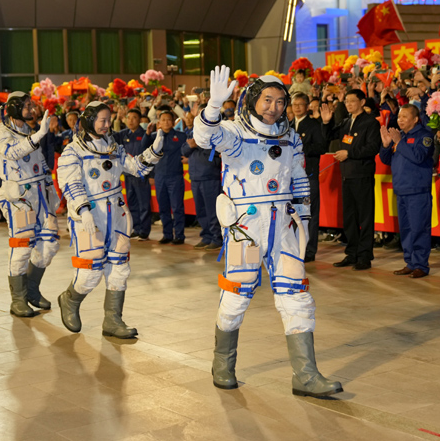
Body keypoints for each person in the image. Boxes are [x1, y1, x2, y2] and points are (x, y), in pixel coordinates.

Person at [194, 65, 342, 399]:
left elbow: (300, 177)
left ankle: (305, 374)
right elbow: (205, 137)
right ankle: (223, 364)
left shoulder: (290, 136)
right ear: (251, 100)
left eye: (279, 101)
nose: (274, 107)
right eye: (267, 100)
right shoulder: (234, 131)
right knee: (237, 294)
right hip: (245, 226)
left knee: (297, 294)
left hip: (284, 223)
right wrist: (214, 108)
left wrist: (303, 218)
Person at [56, 102, 164, 334]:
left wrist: (154, 151)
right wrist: (83, 210)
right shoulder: (73, 151)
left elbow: (135, 168)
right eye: (102, 121)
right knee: (91, 272)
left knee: (119, 268)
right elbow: (70, 182)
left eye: (109, 120)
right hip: (90, 216)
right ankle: (70, 300)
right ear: (89, 121)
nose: (107, 125)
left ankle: (113, 320)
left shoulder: (113, 146)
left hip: (116, 214)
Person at [0, 92, 60, 317]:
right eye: (26, 106)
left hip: (40, 194)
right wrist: (38, 135)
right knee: (22, 247)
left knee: (50, 244)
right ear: (13, 108)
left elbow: (40, 160)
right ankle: (18, 299)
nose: (30, 109)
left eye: (31, 105)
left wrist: (51, 187)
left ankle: (31, 290)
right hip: (19, 197)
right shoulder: (2, 134)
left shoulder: (27, 132)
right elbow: (13, 152)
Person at [320, 89, 381, 270]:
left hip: (362, 174)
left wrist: (349, 153)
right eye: (346, 101)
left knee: (365, 217)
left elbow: (372, 148)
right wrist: (325, 122)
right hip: (347, 175)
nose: (348, 104)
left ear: (362, 102)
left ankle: (364, 256)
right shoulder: (347, 122)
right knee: (350, 218)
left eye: (352, 101)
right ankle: (351, 253)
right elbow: (329, 136)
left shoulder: (370, 123)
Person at [379, 105, 435, 278]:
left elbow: (418, 156)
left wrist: (399, 142)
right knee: (406, 230)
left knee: (419, 229)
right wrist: (387, 145)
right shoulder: (400, 137)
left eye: (404, 116)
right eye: (399, 116)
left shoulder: (424, 136)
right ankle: (410, 262)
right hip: (401, 190)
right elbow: (386, 159)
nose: (400, 119)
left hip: (418, 190)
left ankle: (421, 265)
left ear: (415, 119)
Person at [291, 92, 326, 262]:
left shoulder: (313, 124)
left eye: (300, 104)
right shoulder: (288, 125)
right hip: (290, 178)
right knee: (293, 212)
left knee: (308, 213)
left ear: (307, 106)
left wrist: (300, 148)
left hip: (307, 177)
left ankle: (309, 249)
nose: (297, 107)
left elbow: (321, 147)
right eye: (294, 104)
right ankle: (294, 247)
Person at [182, 104, 223, 250]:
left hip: (210, 175)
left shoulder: (217, 130)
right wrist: (191, 146)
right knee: (201, 210)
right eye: (199, 114)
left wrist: (196, 145)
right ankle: (206, 236)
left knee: (212, 209)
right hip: (195, 176)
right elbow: (184, 149)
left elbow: (215, 151)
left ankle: (217, 238)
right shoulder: (193, 130)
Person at [147, 110, 187, 244]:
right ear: (159, 122)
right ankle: (167, 234)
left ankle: (179, 235)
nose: (166, 122)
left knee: (177, 207)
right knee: (163, 207)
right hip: (159, 176)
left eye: (169, 119)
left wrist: (188, 157)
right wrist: (151, 175)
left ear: (174, 121)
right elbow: (148, 155)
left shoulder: (181, 136)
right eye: (163, 120)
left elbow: (191, 146)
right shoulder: (154, 136)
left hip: (175, 176)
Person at [113, 109, 152, 240]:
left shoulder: (146, 134)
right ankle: (136, 227)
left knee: (144, 203)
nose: (131, 120)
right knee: (132, 202)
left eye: (134, 118)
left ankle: (145, 230)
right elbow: (111, 135)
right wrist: (116, 120)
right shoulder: (124, 134)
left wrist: (151, 175)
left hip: (141, 175)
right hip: (128, 175)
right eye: (129, 117)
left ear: (140, 119)